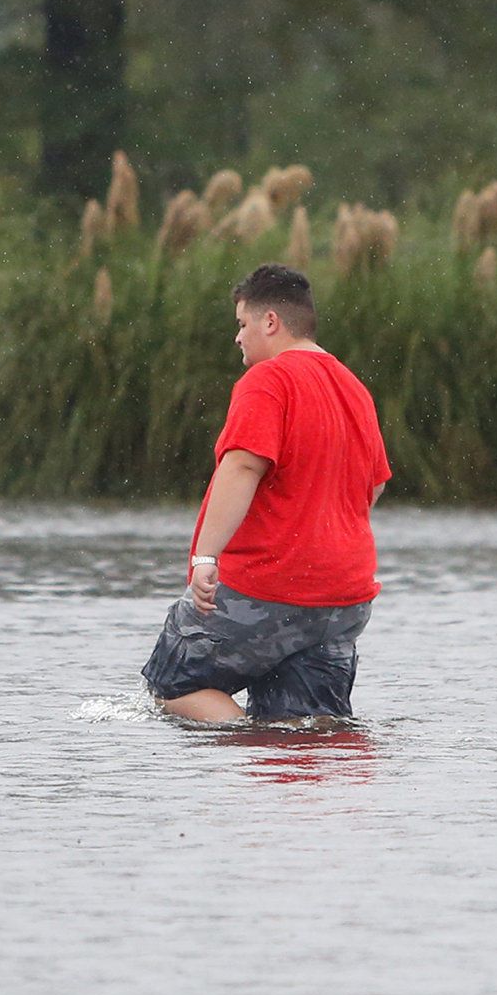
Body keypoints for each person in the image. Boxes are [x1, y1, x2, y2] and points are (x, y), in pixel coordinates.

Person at [143, 262, 391, 726]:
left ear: (270, 321)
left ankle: (243, 738)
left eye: (242, 324)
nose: (238, 337)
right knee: (305, 724)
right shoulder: (354, 389)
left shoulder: (268, 380)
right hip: (343, 598)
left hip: (269, 584)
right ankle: (285, 771)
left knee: (173, 683)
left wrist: (205, 558)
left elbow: (241, 466)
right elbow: (373, 486)